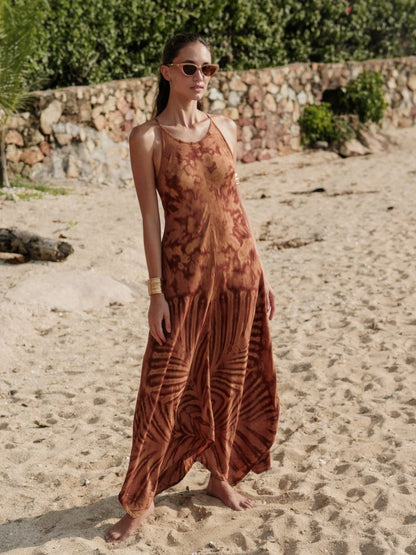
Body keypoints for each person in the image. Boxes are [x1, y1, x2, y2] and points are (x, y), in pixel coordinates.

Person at [105, 32, 279, 544]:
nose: (200, 77)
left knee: (229, 379)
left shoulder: (224, 127)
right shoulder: (147, 138)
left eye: (208, 69)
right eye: (189, 68)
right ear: (166, 72)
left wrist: (263, 273)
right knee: (163, 390)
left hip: (239, 276)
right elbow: (149, 219)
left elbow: (237, 204)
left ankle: (220, 477)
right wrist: (155, 292)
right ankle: (140, 501)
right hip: (184, 282)